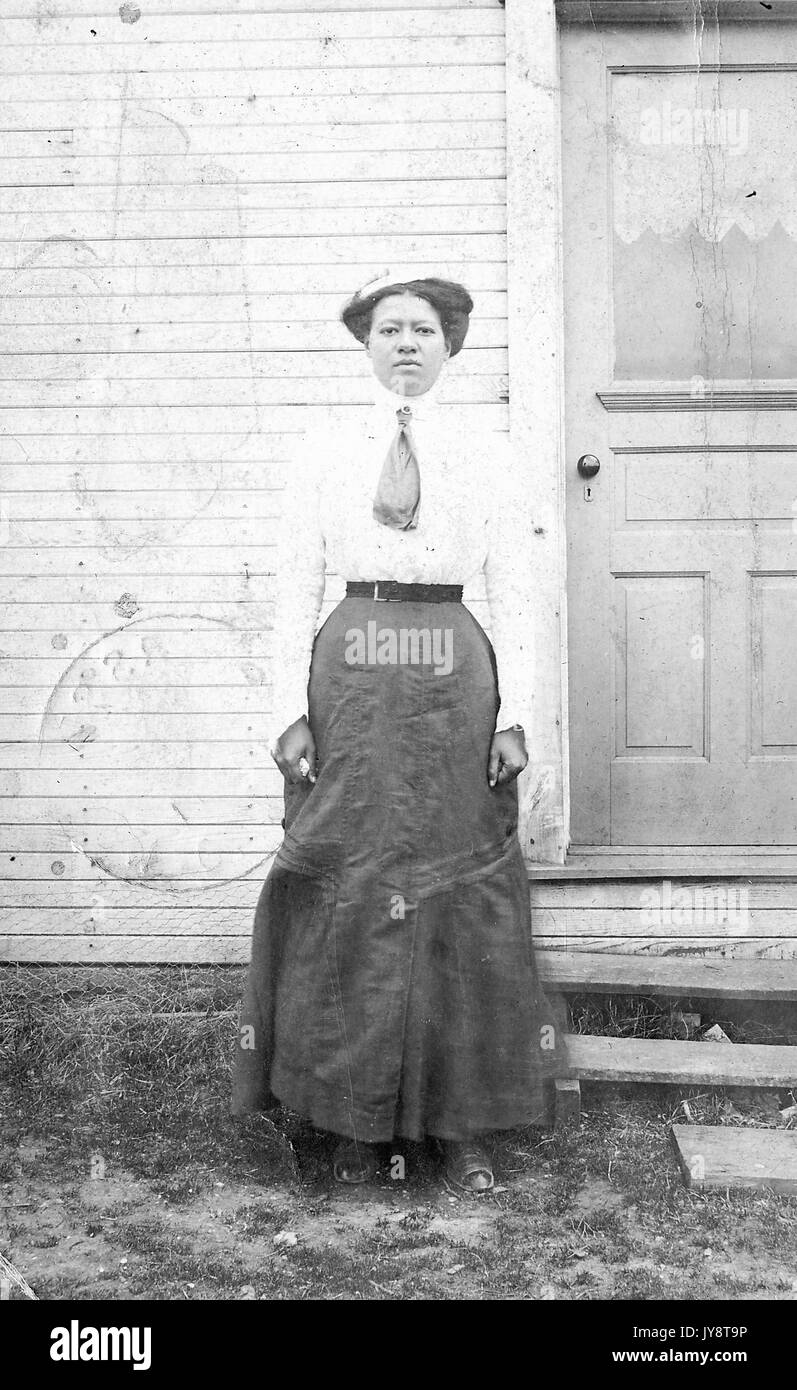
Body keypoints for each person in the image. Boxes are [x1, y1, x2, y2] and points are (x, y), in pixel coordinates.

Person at [232, 272, 563, 1192]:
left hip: (453, 677)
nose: (407, 344)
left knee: (456, 882)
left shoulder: (488, 455)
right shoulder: (325, 450)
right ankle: (339, 1118)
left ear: (450, 347)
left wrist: (517, 716)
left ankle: (455, 1124)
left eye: (423, 329)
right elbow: (293, 585)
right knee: (346, 873)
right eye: (389, 330)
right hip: (352, 673)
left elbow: (514, 594)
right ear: (367, 346)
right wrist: (286, 710)